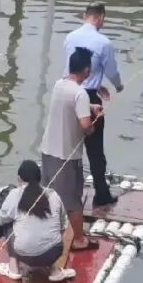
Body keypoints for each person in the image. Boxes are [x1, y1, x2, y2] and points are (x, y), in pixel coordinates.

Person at [40, 46, 101, 251]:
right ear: (86, 70)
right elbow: (85, 125)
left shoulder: (60, 84)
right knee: (72, 198)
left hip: (48, 149)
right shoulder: (81, 93)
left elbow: (69, 104)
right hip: (66, 156)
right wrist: (93, 126)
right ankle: (79, 239)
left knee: (48, 195)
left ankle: (44, 231)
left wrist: (90, 107)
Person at [63, 1, 123, 208]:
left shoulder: (69, 38)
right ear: (101, 18)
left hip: (69, 93)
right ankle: (101, 194)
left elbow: (74, 71)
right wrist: (118, 86)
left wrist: (97, 85)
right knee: (95, 149)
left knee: (68, 145)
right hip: (89, 99)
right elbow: (112, 72)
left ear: (84, 16)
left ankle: (67, 194)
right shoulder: (104, 43)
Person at [0, 160, 76, 282]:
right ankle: (55, 271)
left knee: (8, 224)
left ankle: (13, 268)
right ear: (40, 178)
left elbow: (0, 220)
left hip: (24, 255)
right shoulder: (53, 195)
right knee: (55, 228)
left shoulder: (15, 194)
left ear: (19, 179)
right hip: (53, 253)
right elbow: (63, 223)